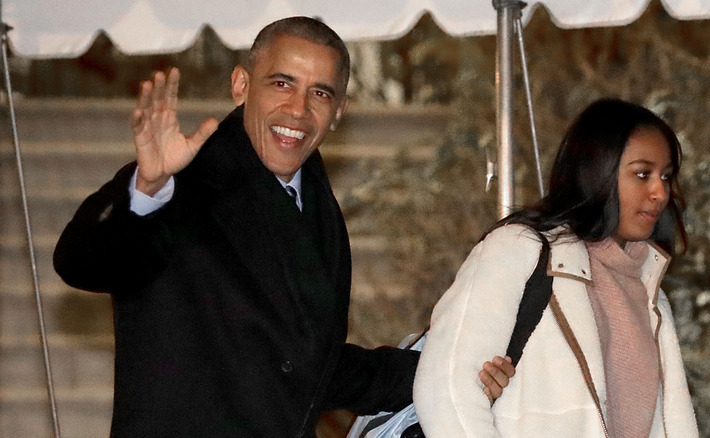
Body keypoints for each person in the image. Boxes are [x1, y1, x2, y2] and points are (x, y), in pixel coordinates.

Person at [53, 16, 512, 438]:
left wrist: (453, 372)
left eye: (320, 93)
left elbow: (313, 367)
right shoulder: (181, 182)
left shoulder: (318, 207)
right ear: (241, 85)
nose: (298, 110)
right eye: (282, 83)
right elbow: (81, 262)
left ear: (339, 112)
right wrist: (146, 185)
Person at [413, 99, 700, 437]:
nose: (660, 192)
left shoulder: (651, 294)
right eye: (642, 174)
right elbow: (446, 389)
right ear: (597, 171)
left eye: (666, 176)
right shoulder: (521, 250)